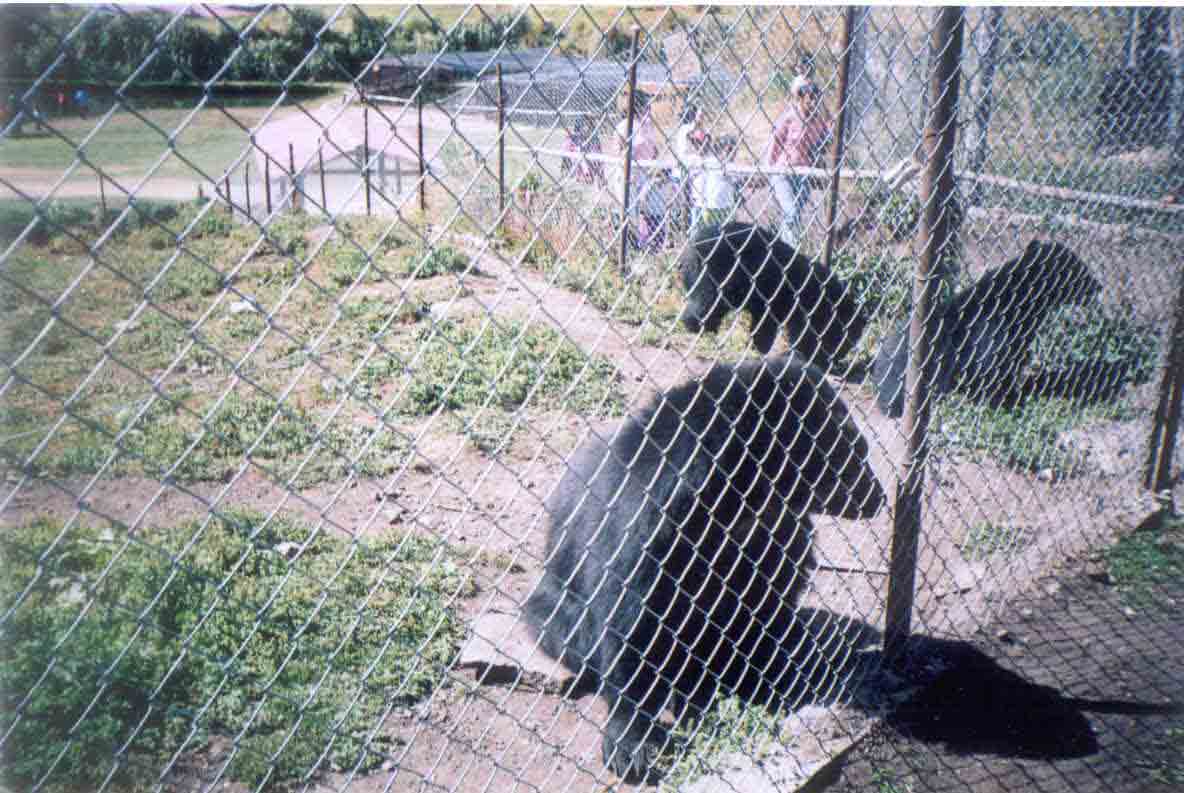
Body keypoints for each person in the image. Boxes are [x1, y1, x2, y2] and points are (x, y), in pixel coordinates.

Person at [766, 75, 832, 247]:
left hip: (803, 173)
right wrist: (769, 168)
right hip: (783, 172)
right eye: (809, 97)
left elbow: (830, 134)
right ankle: (790, 251)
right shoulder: (790, 117)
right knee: (791, 211)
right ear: (801, 98)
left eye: (815, 97)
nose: (812, 101)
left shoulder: (818, 120)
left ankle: (779, 247)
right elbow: (775, 141)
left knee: (793, 215)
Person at [686, 129, 737, 233]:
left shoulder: (712, 161)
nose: (698, 146)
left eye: (700, 143)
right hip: (709, 206)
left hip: (723, 207)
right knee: (705, 233)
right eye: (695, 143)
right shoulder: (709, 161)